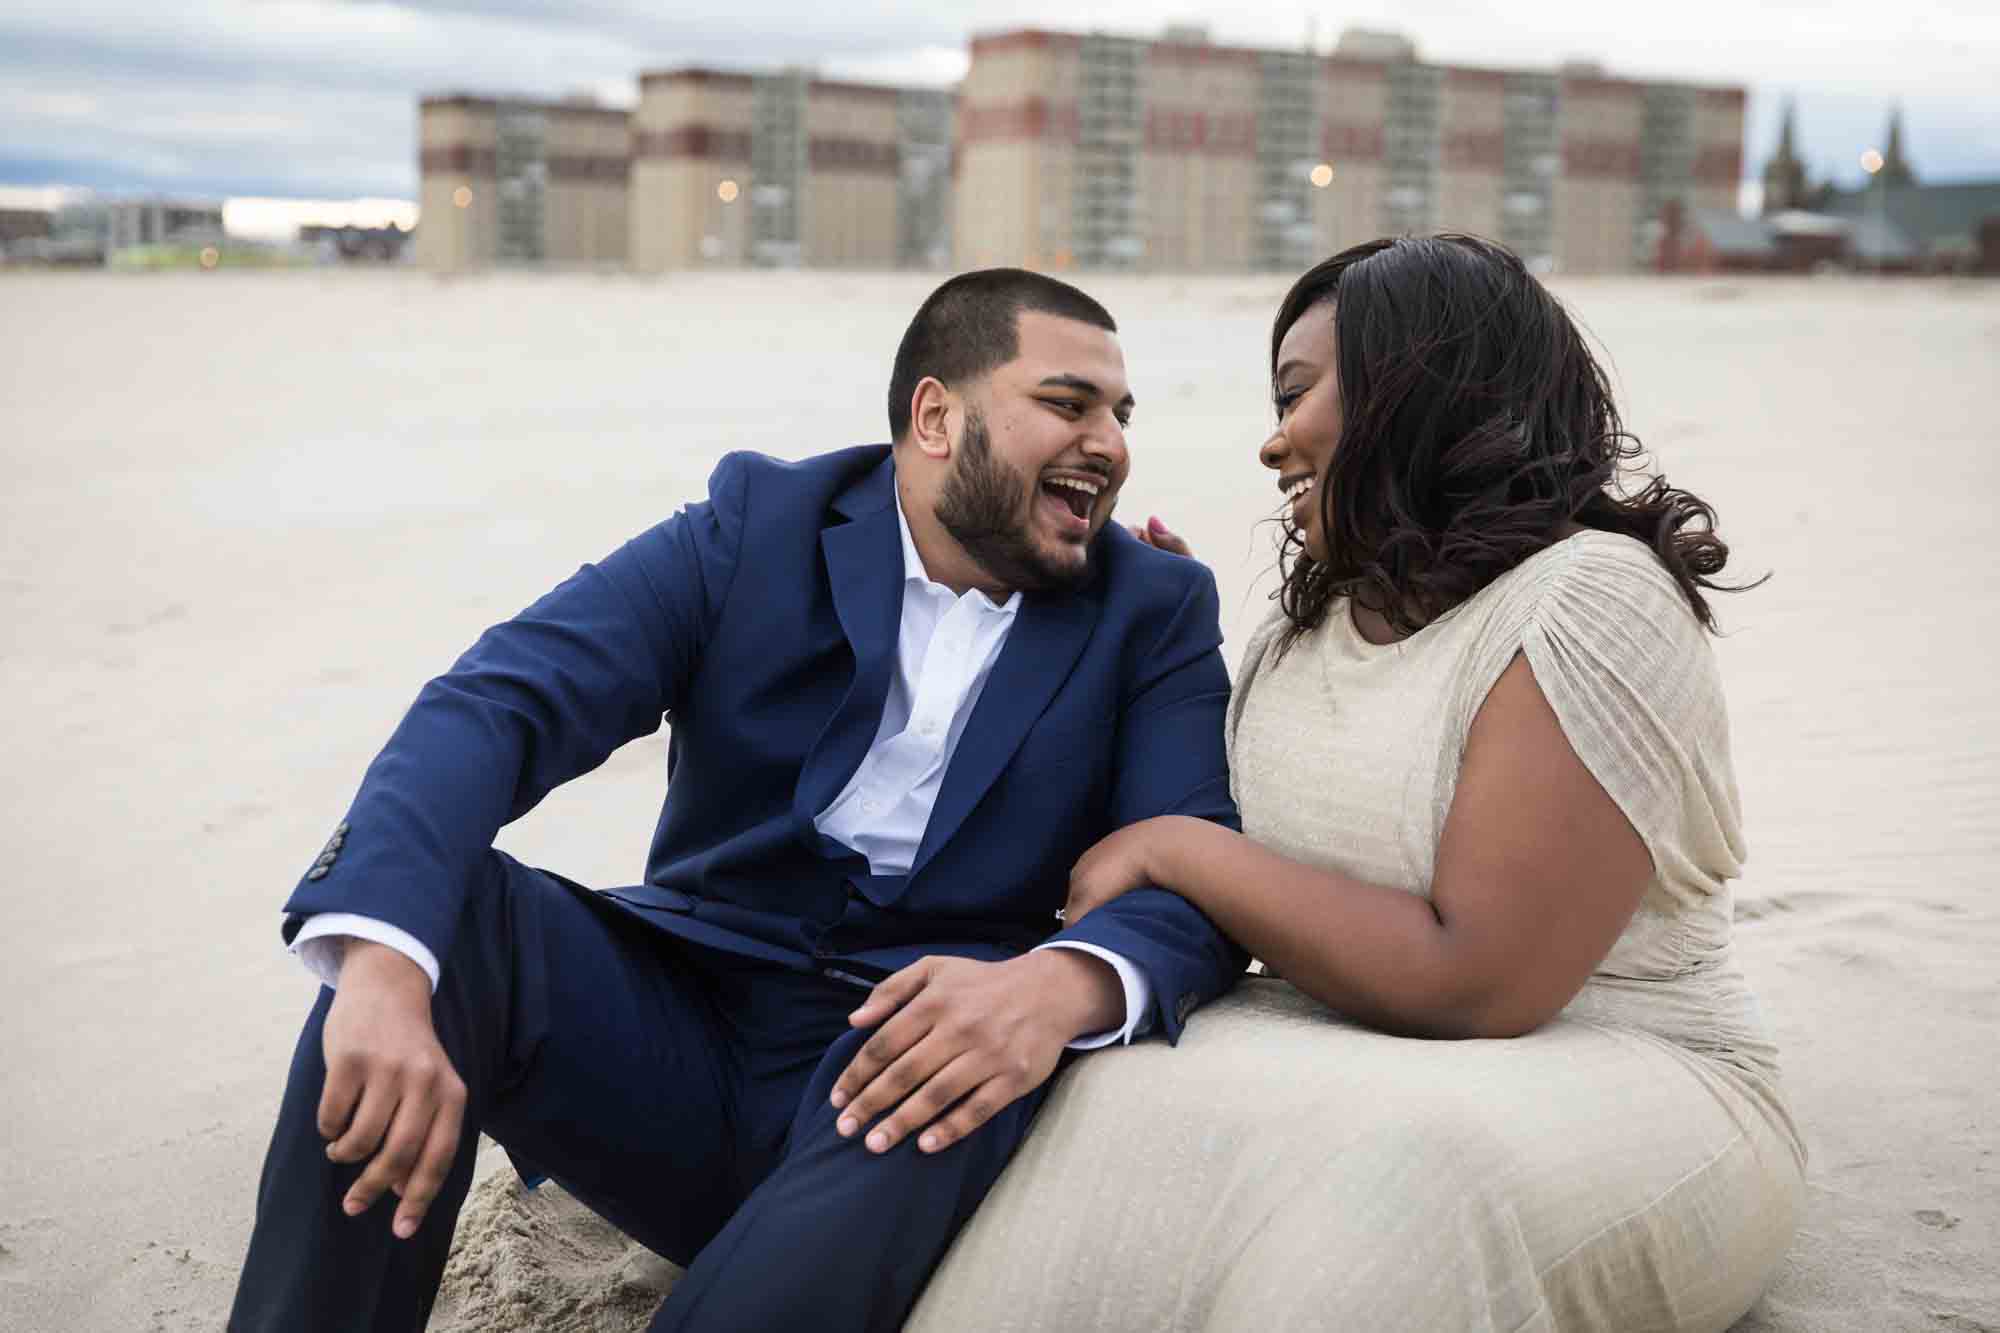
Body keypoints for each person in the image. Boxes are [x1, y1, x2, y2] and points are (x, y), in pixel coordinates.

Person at [227, 268, 1247, 1333]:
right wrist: (383, 971)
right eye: (1068, 403)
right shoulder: (760, 524)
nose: (1110, 443)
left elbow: (1189, 868)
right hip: (678, 1029)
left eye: (1120, 415)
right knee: (451, 923)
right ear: (936, 416)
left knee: (941, 1070)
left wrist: (1053, 990)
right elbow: (498, 703)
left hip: (911, 1064)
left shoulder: (1153, 607)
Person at [905, 236, 1807, 1333]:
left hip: (1614, 1061)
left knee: (1403, 1189)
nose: (1271, 438)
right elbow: (1230, 847)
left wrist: (1178, 851)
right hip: (1324, 1039)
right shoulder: (1309, 623)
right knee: (1062, 1100)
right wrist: (1119, 643)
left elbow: (1481, 980)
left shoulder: (1589, 597)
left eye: (1298, 392)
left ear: (1420, 388)